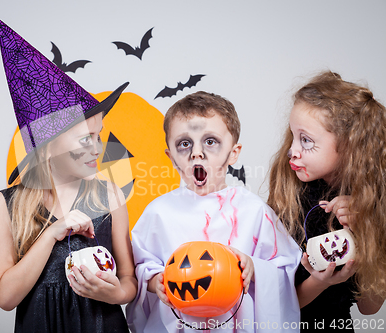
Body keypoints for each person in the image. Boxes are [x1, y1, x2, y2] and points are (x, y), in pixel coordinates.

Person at [0, 17, 137, 333]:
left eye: (99, 136)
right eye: (86, 139)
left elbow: (129, 282)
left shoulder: (109, 194)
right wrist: (52, 234)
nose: (99, 148)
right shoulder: (7, 205)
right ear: (48, 147)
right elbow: (5, 296)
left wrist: (115, 293)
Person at [126, 91, 301, 332]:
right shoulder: (159, 213)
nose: (196, 152)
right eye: (184, 143)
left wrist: (254, 267)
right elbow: (142, 265)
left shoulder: (254, 211)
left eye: (210, 141)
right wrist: (156, 281)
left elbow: (285, 269)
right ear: (171, 157)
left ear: (234, 153)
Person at [267, 71, 386, 331]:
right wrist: (321, 282)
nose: (292, 150)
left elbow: (370, 307)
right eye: (293, 135)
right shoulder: (289, 195)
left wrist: (367, 231)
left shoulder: (373, 205)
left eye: (306, 140)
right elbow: (274, 305)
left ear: (349, 147)